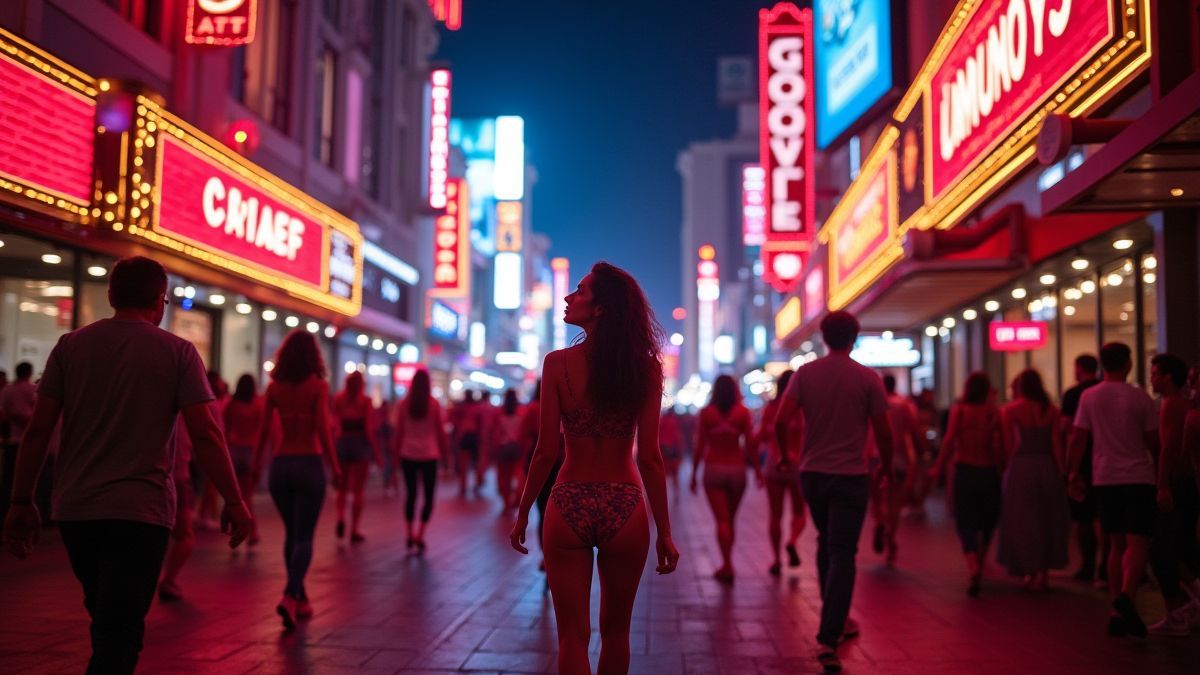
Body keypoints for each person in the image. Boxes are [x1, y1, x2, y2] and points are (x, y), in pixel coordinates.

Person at [2, 256, 251, 673]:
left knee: (106, 619)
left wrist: (21, 500)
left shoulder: (70, 346)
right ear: (159, 300)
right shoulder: (178, 352)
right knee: (120, 631)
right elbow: (206, 433)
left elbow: (38, 430)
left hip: (78, 509)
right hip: (141, 512)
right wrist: (234, 499)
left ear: (111, 295)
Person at [510, 262, 679, 675]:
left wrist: (523, 511)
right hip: (625, 502)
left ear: (601, 307)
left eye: (581, 291)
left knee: (572, 636)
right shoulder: (645, 369)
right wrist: (665, 531)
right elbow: (650, 457)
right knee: (617, 633)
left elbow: (545, 451)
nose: (569, 298)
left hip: (568, 499)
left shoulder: (557, 364)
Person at [773, 311, 893, 673]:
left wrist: (784, 456)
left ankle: (835, 619)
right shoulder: (868, 378)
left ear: (824, 337)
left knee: (828, 543)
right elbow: (883, 430)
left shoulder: (805, 374)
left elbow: (780, 421)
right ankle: (829, 635)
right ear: (854, 338)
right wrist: (886, 466)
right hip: (851, 475)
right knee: (842, 551)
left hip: (813, 474)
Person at [1069, 342, 1160, 638]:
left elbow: (1077, 438)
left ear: (1102, 364)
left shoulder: (1089, 396)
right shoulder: (1140, 397)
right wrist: (1162, 477)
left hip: (1105, 477)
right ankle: (1127, 597)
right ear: (1129, 364)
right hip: (1139, 477)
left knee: (1115, 545)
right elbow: (1154, 442)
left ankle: (1115, 610)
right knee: (1138, 544)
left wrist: (1073, 473)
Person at [254, 329, 341, 630]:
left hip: (281, 466)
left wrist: (257, 466)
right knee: (304, 537)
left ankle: (301, 599)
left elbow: (264, 431)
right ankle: (290, 595)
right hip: (308, 463)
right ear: (313, 355)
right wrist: (335, 467)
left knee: (292, 534)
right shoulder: (318, 386)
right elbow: (323, 430)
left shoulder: (274, 388)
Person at [929, 372, 1004, 596]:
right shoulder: (993, 412)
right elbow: (1000, 444)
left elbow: (949, 440)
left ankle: (972, 564)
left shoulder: (960, 410)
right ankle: (980, 558)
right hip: (988, 472)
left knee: (966, 520)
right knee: (988, 519)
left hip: (965, 470)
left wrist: (938, 466)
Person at [996, 370, 1069, 590]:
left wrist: (1005, 470)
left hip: (1022, 467)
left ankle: (1030, 570)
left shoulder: (1010, 410)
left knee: (1024, 522)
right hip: (1047, 466)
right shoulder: (1052, 410)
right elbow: (1057, 444)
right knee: (1047, 520)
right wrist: (1062, 472)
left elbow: (1009, 445)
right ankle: (1043, 573)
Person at [1147, 353, 1200, 635]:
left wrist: (1162, 485)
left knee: (1163, 550)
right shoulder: (1183, 404)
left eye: (1155, 373)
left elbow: (1168, 448)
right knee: (1181, 545)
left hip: (1177, 483)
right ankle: (1181, 610)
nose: (1151, 378)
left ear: (1167, 377)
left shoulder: (1171, 404)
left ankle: (1179, 612)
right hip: (1185, 483)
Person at [691, 374, 759, 583]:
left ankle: (727, 564)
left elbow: (700, 445)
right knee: (731, 519)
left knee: (722, 521)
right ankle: (728, 563)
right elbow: (750, 444)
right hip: (737, 469)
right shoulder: (742, 413)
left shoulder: (706, 413)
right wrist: (758, 470)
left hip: (714, 468)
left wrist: (693, 474)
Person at [866, 374, 924, 567]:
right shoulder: (904, 405)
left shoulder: (872, 404)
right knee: (894, 501)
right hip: (898, 459)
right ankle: (890, 534)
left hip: (874, 457)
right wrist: (921, 450)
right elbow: (913, 430)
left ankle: (879, 522)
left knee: (876, 499)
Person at [1060, 354, 1105, 585]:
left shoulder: (1073, 394)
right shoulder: (1104, 391)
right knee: (1103, 517)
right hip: (1106, 458)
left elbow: (1068, 430)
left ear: (1079, 369)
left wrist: (1069, 467)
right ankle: (1105, 565)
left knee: (1084, 516)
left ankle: (1088, 565)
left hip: (1084, 460)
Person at [756, 369, 806, 577]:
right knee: (800, 512)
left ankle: (776, 560)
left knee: (775, 515)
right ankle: (792, 540)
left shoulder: (771, 408)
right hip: (798, 464)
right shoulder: (802, 408)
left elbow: (760, 436)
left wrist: (756, 466)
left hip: (774, 464)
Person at [394, 369, 447, 553]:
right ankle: (420, 534)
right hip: (429, 455)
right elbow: (440, 432)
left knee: (411, 495)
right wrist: (446, 455)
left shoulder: (403, 404)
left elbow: (399, 433)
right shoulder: (434, 404)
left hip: (407, 453)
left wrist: (395, 458)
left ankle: (409, 533)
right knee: (429, 497)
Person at [519, 379, 560, 572]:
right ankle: (556, 553)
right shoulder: (564, 406)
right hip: (563, 460)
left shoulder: (533, 409)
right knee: (558, 509)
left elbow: (523, 436)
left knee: (543, 509)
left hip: (538, 460)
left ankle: (546, 554)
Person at [333, 371, 379, 543]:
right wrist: (376, 452)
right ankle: (354, 529)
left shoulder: (339, 399)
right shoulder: (365, 401)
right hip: (360, 443)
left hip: (343, 442)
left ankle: (340, 516)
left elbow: (334, 425)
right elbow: (368, 429)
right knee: (359, 489)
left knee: (342, 487)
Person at [224, 374, 265, 545]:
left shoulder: (232, 404)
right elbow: (262, 431)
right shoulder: (258, 405)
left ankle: (237, 530)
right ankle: (252, 531)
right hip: (250, 451)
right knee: (247, 495)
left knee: (235, 495)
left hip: (234, 450)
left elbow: (226, 429)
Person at [0, 362, 36, 523]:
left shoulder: (8, 390)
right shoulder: (33, 389)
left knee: (9, 479)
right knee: (28, 479)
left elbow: (3, 414)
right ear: (29, 372)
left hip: (12, 441)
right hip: (28, 442)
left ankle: (7, 512)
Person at [489, 389, 525, 511]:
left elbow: (496, 435)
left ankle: (506, 503)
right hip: (515, 448)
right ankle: (514, 498)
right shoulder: (520, 416)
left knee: (503, 477)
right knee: (513, 474)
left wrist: (493, 449)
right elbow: (522, 435)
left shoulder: (500, 416)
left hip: (503, 448)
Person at [451, 390, 485, 495]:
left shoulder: (461, 408)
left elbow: (455, 422)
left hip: (465, 436)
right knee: (475, 462)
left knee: (464, 463)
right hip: (473, 436)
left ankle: (464, 486)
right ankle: (476, 483)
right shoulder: (477, 408)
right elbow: (480, 424)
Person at [658, 408, 685, 494]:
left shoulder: (662, 420)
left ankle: (662, 492)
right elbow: (677, 437)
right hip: (673, 449)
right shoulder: (674, 421)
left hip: (663, 448)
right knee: (675, 473)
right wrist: (680, 451)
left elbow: (659, 435)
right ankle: (676, 492)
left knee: (663, 473)